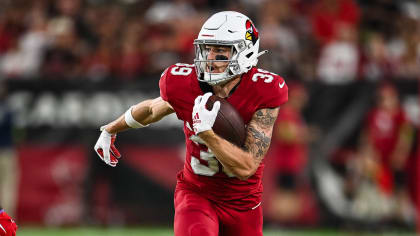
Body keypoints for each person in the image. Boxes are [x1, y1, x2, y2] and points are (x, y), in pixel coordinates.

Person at [94, 11, 288, 236]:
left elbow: (245, 167)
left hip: (243, 203)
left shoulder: (264, 90)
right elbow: (151, 110)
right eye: (207, 49)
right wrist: (111, 129)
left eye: (221, 51)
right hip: (196, 193)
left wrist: (207, 134)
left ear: (245, 52)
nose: (210, 57)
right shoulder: (185, 83)